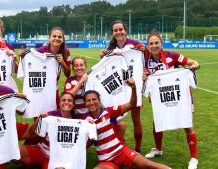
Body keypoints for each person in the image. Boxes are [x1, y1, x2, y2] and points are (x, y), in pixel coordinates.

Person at [83, 79, 170, 169]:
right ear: (85, 104)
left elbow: (132, 104)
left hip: (121, 152)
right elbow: (86, 145)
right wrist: (88, 129)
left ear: (99, 100)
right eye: (88, 100)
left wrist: (133, 87)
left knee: (150, 165)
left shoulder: (109, 112)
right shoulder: (85, 122)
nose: (91, 102)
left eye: (94, 99)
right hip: (106, 160)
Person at [143, 29, 199, 169]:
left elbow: (192, 62)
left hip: (181, 97)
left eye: (156, 43)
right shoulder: (146, 60)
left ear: (161, 43)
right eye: (151, 43)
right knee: (157, 123)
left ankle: (193, 158)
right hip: (160, 98)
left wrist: (194, 66)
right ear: (148, 46)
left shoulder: (172, 55)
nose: (154, 46)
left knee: (187, 125)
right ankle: (158, 149)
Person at [100, 20, 144, 152]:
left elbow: (145, 59)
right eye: (115, 30)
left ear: (126, 31)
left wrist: (145, 73)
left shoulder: (136, 46)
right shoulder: (111, 49)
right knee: (114, 118)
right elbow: (105, 68)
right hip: (118, 88)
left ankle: (138, 148)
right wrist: (104, 56)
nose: (118, 32)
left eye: (121, 29)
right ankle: (116, 145)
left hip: (134, 87)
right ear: (112, 33)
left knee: (136, 119)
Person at [18, 92, 79, 169]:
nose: (66, 102)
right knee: (15, 151)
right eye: (64, 100)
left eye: (69, 100)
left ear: (73, 105)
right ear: (59, 104)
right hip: (42, 151)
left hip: (59, 159)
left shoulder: (78, 121)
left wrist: (89, 123)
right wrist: (39, 119)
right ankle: (34, 163)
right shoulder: (50, 116)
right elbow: (31, 132)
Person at [20, 27, 72, 108]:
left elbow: (68, 74)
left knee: (55, 114)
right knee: (39, 114)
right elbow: (30, 63)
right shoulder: (41, 50)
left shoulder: (65, 52)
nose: (56, 38)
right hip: (40, 89)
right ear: (49, 38)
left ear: (63, 39)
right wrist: (24, 55)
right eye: (54, 36)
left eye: (59, 37)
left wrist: (62, 62)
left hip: (53, 88)